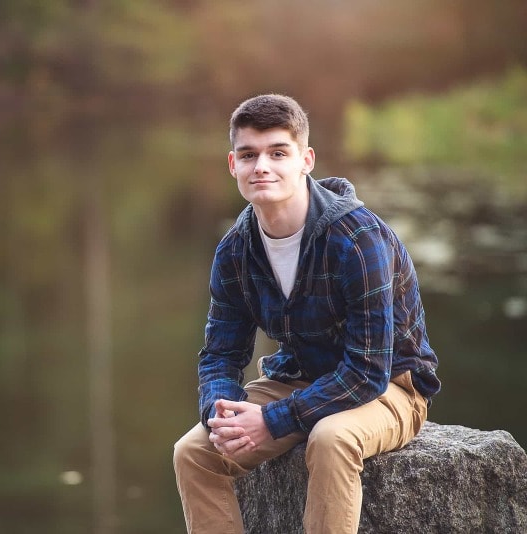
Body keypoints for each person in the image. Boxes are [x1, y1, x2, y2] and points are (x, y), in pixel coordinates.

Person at [172, 94, 440, 534]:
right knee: (194, 452)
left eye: (278, 152)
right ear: (232, 165)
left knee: (331, 439)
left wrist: (273, 421)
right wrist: (219, 413)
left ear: (306, 160)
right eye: (248, 154)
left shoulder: (357, 238)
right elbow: (220, 354)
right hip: (301, 377)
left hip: (391, 386)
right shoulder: (235, 250)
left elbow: (368, 370)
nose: (262, 166)